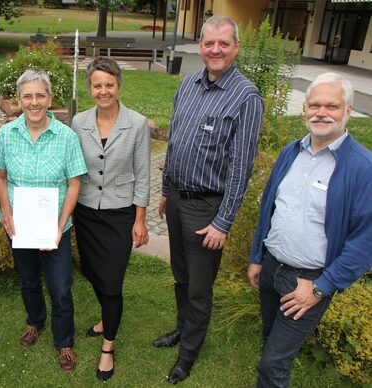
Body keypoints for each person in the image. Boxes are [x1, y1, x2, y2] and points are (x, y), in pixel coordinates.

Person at [156, 16, 264, 384]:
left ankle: (188, 355)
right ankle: (181, 329)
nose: (215, 50)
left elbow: (240, 168)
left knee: (200, 288)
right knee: (181, 277)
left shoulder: (247, 97)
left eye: (223, 43)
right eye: (208, 43)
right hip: (177, 200)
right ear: (199, 45)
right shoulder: (187, 84)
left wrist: (223, 221)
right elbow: (174, 143)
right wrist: (165, 191)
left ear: (235, 47)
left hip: (207, 208)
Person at [248, 73, 372, 387]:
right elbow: (270, 210)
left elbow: (365, 241)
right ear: (305, 109)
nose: (321, 112)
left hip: (305, 281)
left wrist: (319, 288)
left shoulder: (362, 167)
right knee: (268, 342)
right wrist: (257, 257)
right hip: (272, 268)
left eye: (331, 105)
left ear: (348, 111)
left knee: (274, 362)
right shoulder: (292, 151)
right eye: (314, 104)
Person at [0, 69, 87, 372]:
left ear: (49, 98)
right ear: (19, 99)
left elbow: (74, 183)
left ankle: (64, 342)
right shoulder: (7, 134)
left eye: (40, 95)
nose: (34, 102)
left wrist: (60, 225)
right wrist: (6, 211)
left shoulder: (67, 137)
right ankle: (35, 322)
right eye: (27, 96)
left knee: (60, 287)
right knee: (29, 281)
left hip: (54, 229)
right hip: (19, 227)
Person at [71, 57, 150, 381]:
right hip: (86, 211)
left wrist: (140, 219)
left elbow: (143, 175)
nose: (103, 91)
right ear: (90, 88)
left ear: (119, 85)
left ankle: (107, 347)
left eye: (109, 84)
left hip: (120, 214)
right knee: (91, 270)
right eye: (97, 85)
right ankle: (106, 316)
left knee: (113, 282)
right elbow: (73, 167)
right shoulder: (78, 122)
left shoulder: (138, 124)